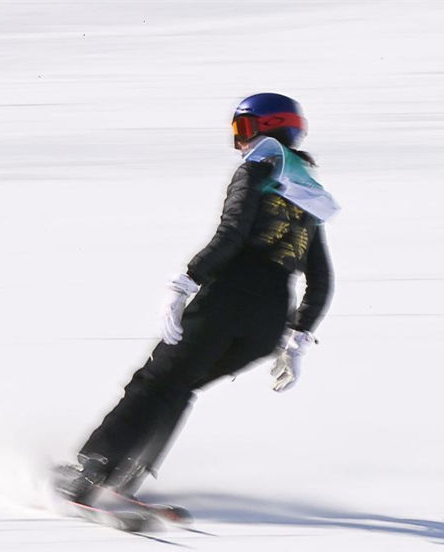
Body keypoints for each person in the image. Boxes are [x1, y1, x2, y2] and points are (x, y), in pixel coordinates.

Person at [58, 92, 338, 504]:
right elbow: (322, 279)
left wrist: (185, 282)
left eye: (243, 129)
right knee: (177, 386)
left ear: (269, 129)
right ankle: (125, 478)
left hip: (227, 301)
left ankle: (90, 472)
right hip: (268, 323)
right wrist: (296, 338)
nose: (238, 142)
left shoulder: (256, 172)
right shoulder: (308, 192)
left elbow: (231, 235)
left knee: (156, 382)